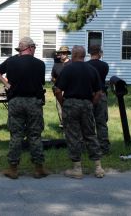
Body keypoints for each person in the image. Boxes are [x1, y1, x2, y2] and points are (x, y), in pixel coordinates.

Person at [0, 36, 49, 179]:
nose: (35, 50)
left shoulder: (11, 61)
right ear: (30, 48)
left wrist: (6, 84)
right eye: (34, 48)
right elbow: (41, 82)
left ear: (21, 48)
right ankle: (38, 168)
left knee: (16, 135)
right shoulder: (40, 64)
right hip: (33, 102)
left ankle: (13, 169)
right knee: (35, 135)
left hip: (15, 101)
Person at [54, 45, 105, 179]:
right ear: (83, 55)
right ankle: (98, 168)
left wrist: (63, 104)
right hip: (87, 103)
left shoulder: (68, 69)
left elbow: (57, 90)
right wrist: (91, 104)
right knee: (90, 134)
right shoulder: (92, 70)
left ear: (74, 55)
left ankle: (77, 168)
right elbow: (99, 92)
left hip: (71, 103)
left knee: (73, 135)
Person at [87, 45, 110, 154]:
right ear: (99, 53)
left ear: (90, 53)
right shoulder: (104, 65)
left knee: (88, 122)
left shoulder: (86, 65)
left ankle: (90, 146)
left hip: (89, 95)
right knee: (101, 122)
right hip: (101, 94)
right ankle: (104, 147)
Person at [51, 46, 71, 128]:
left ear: (67, 54)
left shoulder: (71, 63)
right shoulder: (56, 64)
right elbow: (53, 76)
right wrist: (54, 80)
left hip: (69, 89)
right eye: (60, 53)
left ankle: (70, 124)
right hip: (58, 88)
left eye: (64, 53)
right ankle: (63, 124)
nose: (62, 54)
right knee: (59, 107)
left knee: (69, 107)